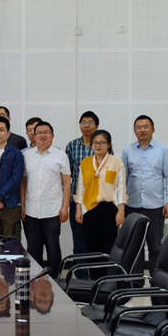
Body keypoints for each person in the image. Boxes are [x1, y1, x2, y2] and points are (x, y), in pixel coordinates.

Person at [122, 115, 168, 275]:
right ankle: (136, 282)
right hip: (132, 206)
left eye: (146, 127)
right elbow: (123, 178)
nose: (142, 130)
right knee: (135, 247)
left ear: (153, 129)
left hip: (156, 207)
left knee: (155, 247)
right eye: (138, 127)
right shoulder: (128, 151)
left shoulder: (163, 150)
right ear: (134, 130)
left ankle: (156, 281)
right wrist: (121, 204)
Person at [21, 121, 70, 278]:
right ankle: (34, 279)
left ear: (52, 135)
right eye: (39, 133)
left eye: (46, 132)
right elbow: (23, 182)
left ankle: (54, 279)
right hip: (31, 209)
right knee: (33, 247)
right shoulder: (26, 155)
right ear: (34, 136)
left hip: (53, 209)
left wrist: (65, 207)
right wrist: (22, 204)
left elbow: (67, 183)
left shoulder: (61, 155)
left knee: (53, 246)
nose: (42, 135)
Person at [76, 130, 126, 277]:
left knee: (108, 246)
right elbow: (80, 188)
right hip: (89, 209)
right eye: (95, 143)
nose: (98, 145)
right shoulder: (85, 162)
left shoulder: (116, 162)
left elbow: (121, 188)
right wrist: (78, 208)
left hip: (109, 209)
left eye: (102, 142)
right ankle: (94, 279)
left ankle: (107, 280)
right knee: (91, 247)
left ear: (108, 145)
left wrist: (121, 211)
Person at [65, 111, 99, 279]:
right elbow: (68, 173)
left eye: (90, 122)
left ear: (97, 126)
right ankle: (81, 275)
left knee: (96, 238)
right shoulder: (72, 146)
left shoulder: (102, 144)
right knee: (79, 239)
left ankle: (97, 274)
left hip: (97, 201)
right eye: (83, 122)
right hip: (76, 199)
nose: (86, 125)